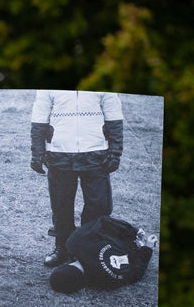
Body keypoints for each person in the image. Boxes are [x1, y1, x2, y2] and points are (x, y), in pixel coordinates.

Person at [30, 90, 124, 267]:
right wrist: (37, 152)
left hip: (96, 153)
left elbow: (114, 116)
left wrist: (115, 151)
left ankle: (88, 251)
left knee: (99, 205)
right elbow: (39, 117)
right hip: (59, 153)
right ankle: (63, 248)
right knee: (61, 204)